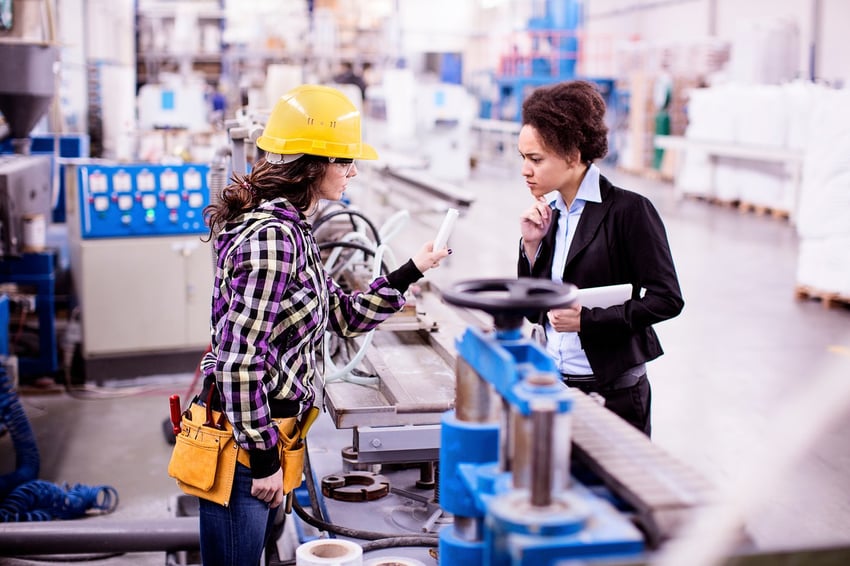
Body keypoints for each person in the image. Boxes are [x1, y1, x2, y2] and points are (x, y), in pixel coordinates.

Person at [198, 84, 449, 565]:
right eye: (344, 161)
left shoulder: (293, 228)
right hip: (247, 447)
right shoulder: (273, 238)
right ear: (311, 164)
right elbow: (237, 363)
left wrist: (411, 269)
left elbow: (343, 316)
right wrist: (266, 461)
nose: (354, 171)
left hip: (268, 433)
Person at [516, 80, 684, 437]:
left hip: (614, 394)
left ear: (573, 156)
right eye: (523, 158)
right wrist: (531, 249)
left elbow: (667, 299)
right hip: (554, 385)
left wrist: (587, 321)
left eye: (536, 159)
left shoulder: (629, 211)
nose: (525, 170)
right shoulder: (551, 215)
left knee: (615, 490)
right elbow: (533, 311)